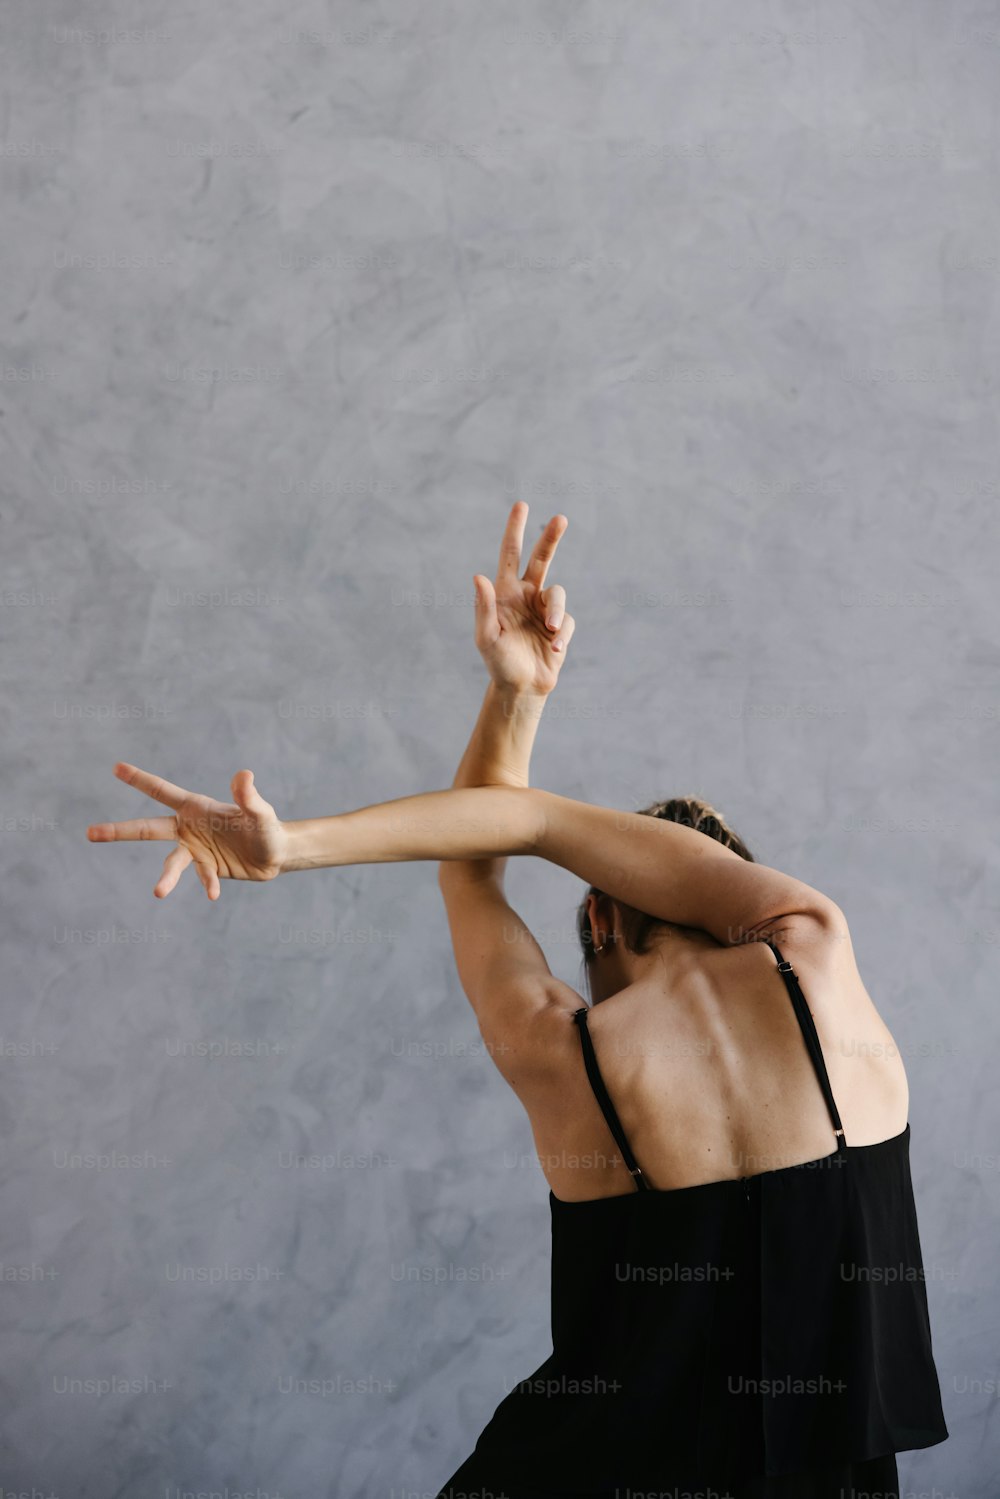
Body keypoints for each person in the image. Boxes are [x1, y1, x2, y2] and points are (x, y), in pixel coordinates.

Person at [86, 503, 949, 1496]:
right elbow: (522, 823)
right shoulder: (816, 946)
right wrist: (520, 688)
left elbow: (485, 857)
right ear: (733, 891)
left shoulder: (560, 1054)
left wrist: (305, 837)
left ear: (593, 920)